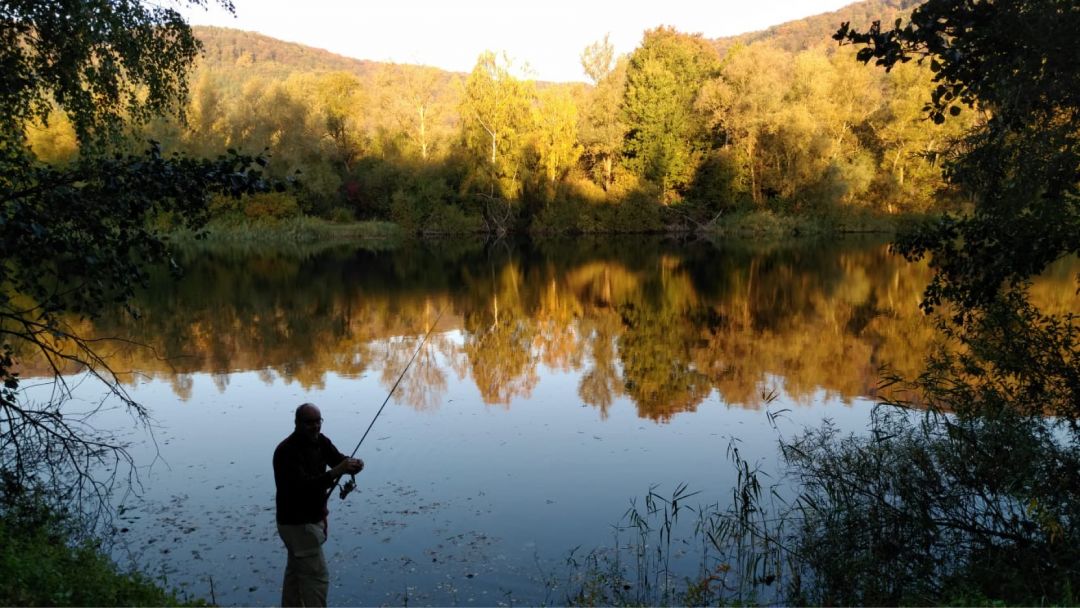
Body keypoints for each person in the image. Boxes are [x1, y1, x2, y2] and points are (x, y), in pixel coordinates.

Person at [273, 402, 364, 607]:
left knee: (296, 577)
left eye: (318, 421)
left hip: (306, 523)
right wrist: (336, 472)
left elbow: (337, 460)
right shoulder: (286, 452)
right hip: (298, 525)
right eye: (309, 423)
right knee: (316, 579)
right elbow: (303, 487)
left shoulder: (320, 441)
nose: (315, 427)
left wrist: (352, 465)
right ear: (297, 423)